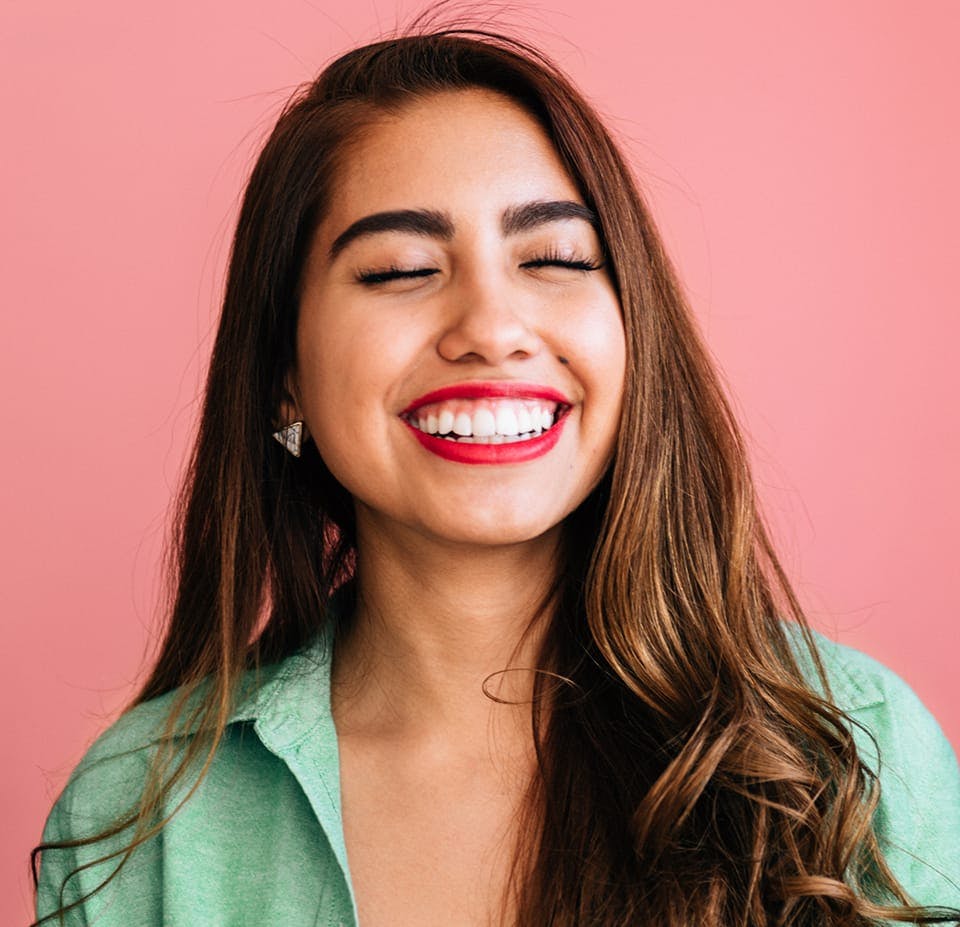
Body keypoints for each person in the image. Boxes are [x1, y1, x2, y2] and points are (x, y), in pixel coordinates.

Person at [33, 24, 960, 927]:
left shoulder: (854, 752)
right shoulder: (142, 815)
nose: (491, 324)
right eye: (401, 270)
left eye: (555, 258)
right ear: (287, 379)